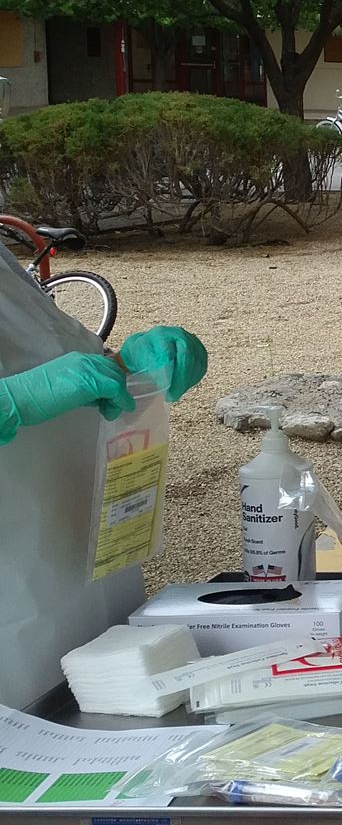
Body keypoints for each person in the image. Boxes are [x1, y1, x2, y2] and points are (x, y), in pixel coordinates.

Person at [0, 244, 208, 708]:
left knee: (110, 706)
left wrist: (129, 367)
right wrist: (14, 401)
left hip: (87, 568)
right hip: (12, 600)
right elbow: (27, 387)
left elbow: (44, 357)